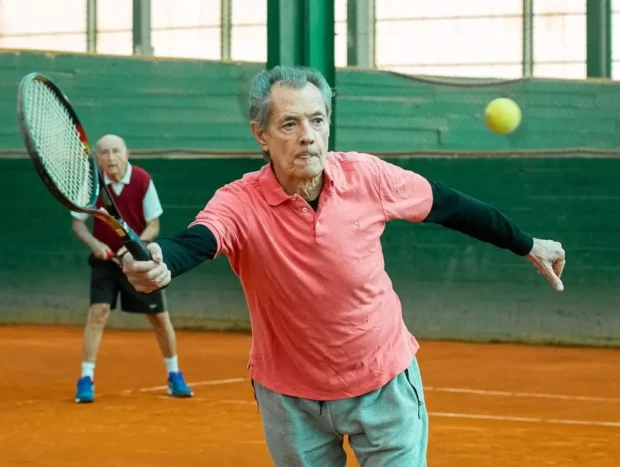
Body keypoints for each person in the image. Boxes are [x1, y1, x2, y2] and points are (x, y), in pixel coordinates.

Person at [121, 67, 566, 466]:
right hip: (290, 398)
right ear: (262, 135)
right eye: (289, 124)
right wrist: (164, 261)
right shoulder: (240, 200)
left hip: (383, 381)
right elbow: (201, 238)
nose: (307, 136)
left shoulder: (367, 177)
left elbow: (451, 206)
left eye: (317, 120)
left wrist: (527, 244)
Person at [70, 134, 193, 403]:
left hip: (139, 261)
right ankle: (86, 379)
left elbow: (154, 226)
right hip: (106, 263)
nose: (110, 157)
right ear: (98, 158)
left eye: (115, 151)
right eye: (103, 152)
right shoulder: (92, 183)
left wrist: (132, 248)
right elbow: (79, 224)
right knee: (98, 313)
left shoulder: (142, 180)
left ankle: (174, 375)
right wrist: (95, 244)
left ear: (127, 153)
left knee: (159, 318)